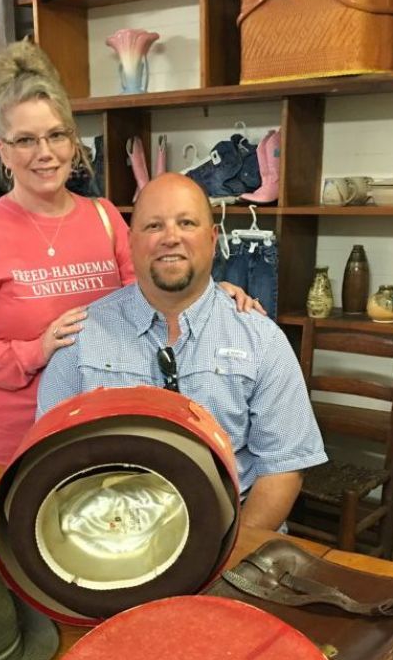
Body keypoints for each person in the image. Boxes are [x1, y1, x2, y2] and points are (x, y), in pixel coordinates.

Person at [0, 41, 260, 466]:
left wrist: (212, 296)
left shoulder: (104, 217)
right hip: (9, 444)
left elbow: (153, 296)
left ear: (73, 140)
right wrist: (34, 351)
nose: (45, 153)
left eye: (56, 135)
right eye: (25, 140)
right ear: (3, 151)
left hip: (97, 431)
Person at [37, 172, 327, 531]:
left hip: (230, 529)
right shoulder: (81, 336)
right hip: (110, 532)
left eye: (186, 223)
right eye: (154, 226)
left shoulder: (261, 339)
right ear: (131, 242)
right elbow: (48, 455)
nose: (170, 238)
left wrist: (234, 551)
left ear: (212, 238)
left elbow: (284, 466)